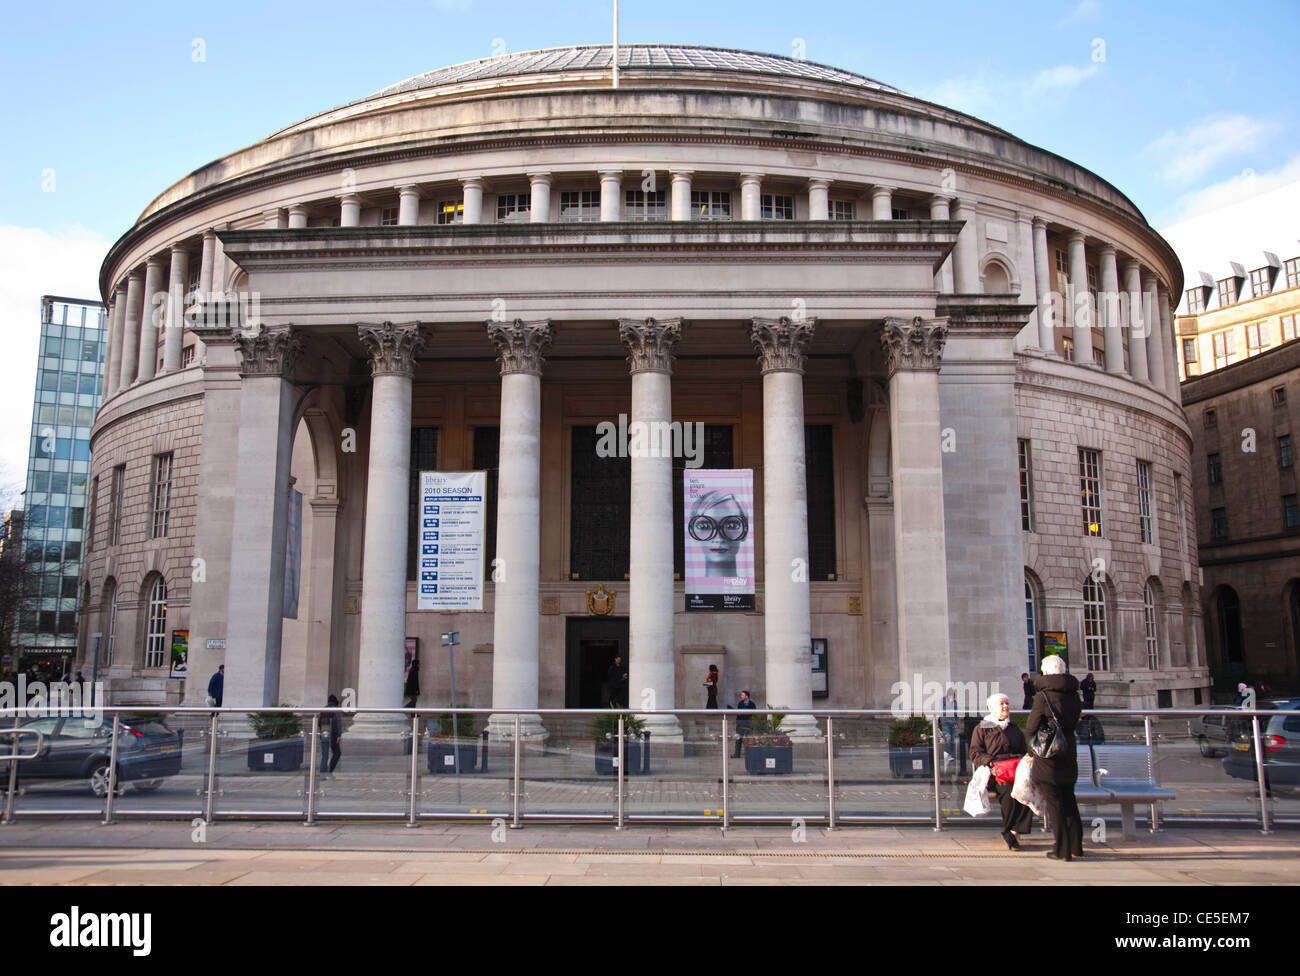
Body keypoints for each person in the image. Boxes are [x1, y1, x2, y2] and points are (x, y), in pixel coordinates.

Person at [1027, 654, 1084, 861]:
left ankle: (1062, 849)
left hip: (1049, 756)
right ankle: (1077, 845)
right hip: (1069, 751)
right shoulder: (1074, 694)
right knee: (1069, 798)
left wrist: (1032, 750)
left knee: (1054, 803)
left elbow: (1031, 728)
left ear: (1046, 672)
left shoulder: (1043, 696)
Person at [970, 692, 1033, 850]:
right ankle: (1010, 830)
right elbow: (975, 753)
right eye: (1002, 704)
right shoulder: (983, 728)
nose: (1006, 706)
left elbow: (1024, 750)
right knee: (1009, 791)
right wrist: (991, 762)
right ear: (992, 708)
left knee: (1025, 790)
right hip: (993, 773)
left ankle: (1012, 830)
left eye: (1007, 703)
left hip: (1014, 771)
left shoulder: (1013, 728)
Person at [733, 690, 756, 758]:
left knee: (748, 740)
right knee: (738, 740)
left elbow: (753, 714)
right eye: (741, 695)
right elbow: (738, 714)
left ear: (747, 696)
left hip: (748, 724)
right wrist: (738, 722)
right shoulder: (740, 703)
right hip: (741, 725)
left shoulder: (752, 704)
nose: (741, 696)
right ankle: (737, 754)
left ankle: (749, 754)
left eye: (743, 695)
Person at [325, 694, 343, 775]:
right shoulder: (336, 710)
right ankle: (330, 770)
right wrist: (339, 735)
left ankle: (324, 771)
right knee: (337, 753)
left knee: (325, 753)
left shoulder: (324, 709)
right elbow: (338, 723)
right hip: (334, 734)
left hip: (324, 734)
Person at [941, 688, 959, 759]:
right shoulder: (943, 701)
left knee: (952, 740)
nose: (951, 697)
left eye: (952, 696)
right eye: (950, 695)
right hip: (946, 723)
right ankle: (948, 755)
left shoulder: (955, 702)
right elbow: (943, 712)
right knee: (948, 739)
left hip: (953, 723)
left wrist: (957, 722)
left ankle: (950, 755)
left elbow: (956, 713)